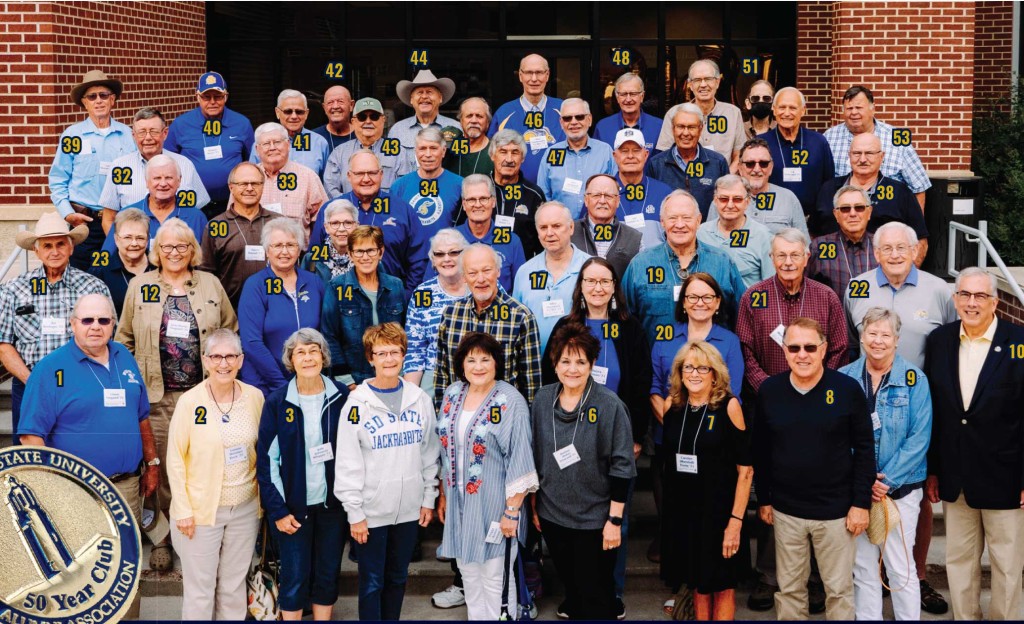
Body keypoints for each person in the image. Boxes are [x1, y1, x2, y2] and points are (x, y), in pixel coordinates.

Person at [17, 293, 155, 621]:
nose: (95, 327)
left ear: (113, 325)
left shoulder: (124, 357)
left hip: (125, 488)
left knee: (126, 571)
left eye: (103, 320)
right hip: (75, 493)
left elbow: (142, 416)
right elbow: (30, 437)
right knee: (81, 575)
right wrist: (50, 491)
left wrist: (152, 464)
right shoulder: (51, 369)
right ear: (73, 323)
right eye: (87, 320)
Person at [116, 217, 237, 570]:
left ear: (192, 250)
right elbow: (123, 339)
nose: (173, 252)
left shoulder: (210, 285)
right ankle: (163, 538)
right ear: (156, 251)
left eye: (181, 246)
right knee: (161, 471)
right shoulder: (140, 286)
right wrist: (131, 386)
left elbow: (230, 330)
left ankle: (200, 533)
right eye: (166, 246)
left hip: (204, 396)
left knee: (202, 464)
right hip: (157, 397)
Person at [541, 257, 653, 610]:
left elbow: (640, 381)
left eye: (605, 281)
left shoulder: (629, 327)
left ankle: (613, 591)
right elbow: (551, 377)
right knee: (571, 522)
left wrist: (636, 434)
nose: (598, 288)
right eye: (590, 281)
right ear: (581, 286)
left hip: (615, 434)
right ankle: (574, 594)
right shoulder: (567, 324)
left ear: (614, 287)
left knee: (614, 518)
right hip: (571, 433)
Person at [752, 317, 874, 620]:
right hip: (786, 511)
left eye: (809, 347)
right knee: (790, 590)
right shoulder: (770, 391)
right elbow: (761, 451)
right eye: (794, 348)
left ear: (824, 349)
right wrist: (764, 499)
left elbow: (865, 449)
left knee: (839, 591)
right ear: (784, 350)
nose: (802, 354)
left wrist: (861, 503)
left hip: (836, 513)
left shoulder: (846, 389)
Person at [924, 267, 1024, 621]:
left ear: (995, 301)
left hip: (1006, 476)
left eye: (980, 296)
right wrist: (934, 469)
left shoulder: (1020, 343)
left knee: (1007, 567)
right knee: (959, 562)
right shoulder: (940, 341)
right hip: (956, 475)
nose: (971, 302)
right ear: (954, 299)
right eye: (964, 295)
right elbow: (936, 410)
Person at [334, 323, 440, 620]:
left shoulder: (419, 399)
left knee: (397, 577)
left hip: (408, 509)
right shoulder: (356, 404)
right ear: (370, 358)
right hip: (371, 512)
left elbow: (429, 452)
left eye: (395, 352)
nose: (389, 359)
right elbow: (347, 461)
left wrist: (428, 497)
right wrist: (354, 512)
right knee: (371, 582)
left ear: (404, 355)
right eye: (382, 353)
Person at [530, 323, 636, 620]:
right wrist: (534, 503)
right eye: (565, 361)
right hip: (552, 515)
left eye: (580, 361)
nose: (572, 369)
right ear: (555, 363)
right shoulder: (541, 400)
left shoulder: (609, 405)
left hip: (595, 520)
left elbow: (623, 466)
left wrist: (614, 520)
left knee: (596, 597)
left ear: (591, 364)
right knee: (573, 589)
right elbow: (536, 454)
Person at [435, 332, 539, 620]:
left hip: (496, 507)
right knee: (469, 575)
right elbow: (446, 449)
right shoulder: (453, 393)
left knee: (496, 580)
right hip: (459, 504)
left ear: (497, 363)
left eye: (485, 359)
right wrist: (443, 493)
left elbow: (520, 457)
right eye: (471, 360)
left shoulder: (509, 400)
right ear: (461, 365)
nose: (478, 366)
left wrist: (512, 512)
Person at [838, 308, 931, 621]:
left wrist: (885, 480)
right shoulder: (845, 377)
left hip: (901, 491)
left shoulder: (914, 379)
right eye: (872, 333)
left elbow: (919, 437)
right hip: (858, 493)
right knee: (862, 568)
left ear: (897, 340)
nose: (878, 341)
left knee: (900, 568)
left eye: (885, 335)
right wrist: (862, 481)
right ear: (862, 337)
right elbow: (837, 434)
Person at [166, 328, 265, 620]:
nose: (224, 364)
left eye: (231, 356)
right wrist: (182, 509)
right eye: (217, 357)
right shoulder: (190, 402)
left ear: (241, 360)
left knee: (234, 586)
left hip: (245, 508)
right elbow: (175, 459)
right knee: (200, 588)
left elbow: (263, 451)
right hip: (200, 511)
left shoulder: (254, 398)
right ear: (206, 361)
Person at [255, 328, 350, 621]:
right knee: (294, 577)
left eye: (313, 351)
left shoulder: (342, 397)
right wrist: (279, 511)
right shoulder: (277, 401)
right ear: (290, 360)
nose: (308, 357)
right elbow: (267, 462)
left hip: (332, 506)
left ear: (323, 356)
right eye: (300, 352)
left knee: (327, 573)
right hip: (293, 510)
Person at [649, 272, 744, 565]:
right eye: (692, 296)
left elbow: (733, 393)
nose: (699, 303)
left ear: (717, 303)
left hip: (713, 446)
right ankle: (680, 587)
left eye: (707, 297)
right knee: (676, 516)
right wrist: (680, 427)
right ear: (683, 302)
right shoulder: (665, 335)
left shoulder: (728, 341)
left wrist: (697, 430)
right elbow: (655, 387)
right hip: (670, 440)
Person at [659, 341, 752, 620]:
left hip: (721, 514)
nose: (695, 373)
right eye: (688, 366)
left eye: (703, 367)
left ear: (715, 373)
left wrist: (735, 522)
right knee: (697, 583)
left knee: (722, 586)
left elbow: (745, 471)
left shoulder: (730, 406)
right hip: (684, 514)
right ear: (680, 371)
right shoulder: (671, 406)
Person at [0, 212, 110, 435]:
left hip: (81, 386)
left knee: (77, 454)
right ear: (36, 250)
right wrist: (34, 383)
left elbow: (107, 338)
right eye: (47, 245)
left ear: (71, 248)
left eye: (61, 244)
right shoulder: (13, 289)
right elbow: (4, 345)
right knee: (31, 458)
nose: (54, 251)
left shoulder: (93, 287)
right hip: (29, 384)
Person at [621, 190, 747, 344]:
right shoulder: (640, 264)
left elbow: (743, 318)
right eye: (672, 218)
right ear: (662, 221)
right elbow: (624, 320)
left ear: (698, 220)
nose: (679, 225)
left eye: (687, 218)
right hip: (654, 365)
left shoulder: (722, 262)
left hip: (713, 363)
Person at [735, 228, 849, 394]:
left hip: (817, 395)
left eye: (795, 255)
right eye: (781, 255)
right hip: (767, 397)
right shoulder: (753, 297)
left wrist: (820, 385)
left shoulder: (826, 297)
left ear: (806, 258)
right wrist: (767, 388)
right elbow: (744, 351)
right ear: (772, 259)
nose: (788, 262)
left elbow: (840, 349)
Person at [435, 244, 542, 407]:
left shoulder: (521, 317)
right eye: (472, 273)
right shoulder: (450, 314)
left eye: (486, 270)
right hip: (457, 418)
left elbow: (531, 385)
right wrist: (441, 415)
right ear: (464, 277)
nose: (481, 279)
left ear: (498, 271)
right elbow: (442, 375)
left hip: (504, 419)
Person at [50, 70, 137, 270]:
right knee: (83, 280)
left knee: (119, 277)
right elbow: (58, 179)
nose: (98, 100)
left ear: (112, 100)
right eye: (92, 96)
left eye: (103, 95)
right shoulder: (73, 136)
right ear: (85, 102)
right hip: (85, 224)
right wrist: (67, 214)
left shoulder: (128, 135)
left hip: (121, 221)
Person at [845, 222, 956, 366]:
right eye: (887, 248)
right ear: (876, 254)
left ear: (914, 251)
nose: (895, 255)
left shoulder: (939, 289)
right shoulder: (857, 287)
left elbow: (951, 341)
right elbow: (852, 342)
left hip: (921, 386)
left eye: (901, 248)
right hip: (868, 386)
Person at [239, 218, 326, 396]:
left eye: (291, 245)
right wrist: (282, 385)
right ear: (267, 250)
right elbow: (251, 343)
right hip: (266, 385)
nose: (284, 251)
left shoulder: (314, 282)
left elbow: (326, 333)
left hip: (308, 382)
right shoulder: (255, 285)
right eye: (277, 245)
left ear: (300, 248)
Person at [814, 133, 928, 265]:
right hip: (834, 271)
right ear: (849, 155)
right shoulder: (828, 189)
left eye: (869, 153)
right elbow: (814, 233)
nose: (862, 159)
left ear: (882, 156)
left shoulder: (900, 192)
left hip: (885, 274)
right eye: (857, 153)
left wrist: (905, 277)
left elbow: (920, 241)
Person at [313, 150, 416, 285]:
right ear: (349, 176)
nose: (366, 179)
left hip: (389, 298)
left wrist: (405, 295)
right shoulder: (331, 210)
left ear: (381, 174)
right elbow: (315, 259)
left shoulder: (402, 210)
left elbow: (418, 260)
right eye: (359, 173)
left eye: (372, 173)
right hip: (339, 298)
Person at [99, 107, 209, 233]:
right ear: (134, 136)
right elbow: (109, 218)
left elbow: (198, 213)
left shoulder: (184, 164)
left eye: (154, 131)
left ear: (165, 133)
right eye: (142, 132)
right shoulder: (119, 167)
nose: (148, 138)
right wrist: (122, 248)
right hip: (135, 247)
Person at [321, 225, 406, 389]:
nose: (365, 257)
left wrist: (400, 372)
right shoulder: (336, 288)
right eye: (359, 251)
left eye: (371, 250)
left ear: (381, 252)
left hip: (392, 375)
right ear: (351, 254)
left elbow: (404, 332)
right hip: (354, 379)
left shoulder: (395, 286)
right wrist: (348, 382)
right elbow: (329, 336)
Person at [165, 71, 255, 220]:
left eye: (218, 96)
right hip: (193, 205)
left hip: (233, 203)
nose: (212, 102)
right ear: (197, 97)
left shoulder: (241, 123)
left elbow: (251, 160)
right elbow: (169, 161)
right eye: (207, 97)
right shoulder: (181, 125)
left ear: (226, 96)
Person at [824, 86, 930, 209]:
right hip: (846, 215)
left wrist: (915, 225)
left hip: (889, 216)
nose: (853, 112)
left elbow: (919, 187)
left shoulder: (896, 138)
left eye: (858, 107)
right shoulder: (829, 137)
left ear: (872, 108)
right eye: (849, 108)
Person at [389, 127, 464, 292]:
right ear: (415, 152)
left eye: (433, 148)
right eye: (422, 148)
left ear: (443, 151)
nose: (428, 154)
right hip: (409, 271)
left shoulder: (460, 185)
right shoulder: (399, 187)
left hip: (448, 267)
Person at [512, 201, 592, 352]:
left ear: (571, 228)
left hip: (577, 366)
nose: (549, 233)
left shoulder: (590, 268)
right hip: (534, 364)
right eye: (543, 227)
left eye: (556, 226)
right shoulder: (525, 272)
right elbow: (516, 322)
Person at [199, 162, 280, 308]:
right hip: (230, 310)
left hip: (274, 308)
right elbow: (206, 274)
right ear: (231, 187)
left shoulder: (279, 222)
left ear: (263, 186)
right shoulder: (215, 226)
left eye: (255, 183)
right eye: (243, 184)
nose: (249, 188)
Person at [99, 154, 209, 255]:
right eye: (157, 178)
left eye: (169, 178)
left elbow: (205, 262)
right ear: (146, 182)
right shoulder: (126, 215)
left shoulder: (196, 217)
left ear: (179, 181)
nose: (163, 184)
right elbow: (107, 257)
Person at [403, 229, 470, 390]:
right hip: (434, 376)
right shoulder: (422, 293)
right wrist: (412, 396)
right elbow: (415, 349)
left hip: (478, 373)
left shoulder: (482, 285)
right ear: (433, 260)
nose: (447, 259)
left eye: (454, 252)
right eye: (439, 254)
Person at [757, 87, 835, 219]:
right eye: (782, 107)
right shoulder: (760, 143)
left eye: (792, 108)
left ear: (803, 110)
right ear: (774, 109)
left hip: (812, 220)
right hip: (771, 219)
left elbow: (829, 183)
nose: (787, 113)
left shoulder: (818, 142)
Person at [489, 53, 565, 183]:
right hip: (517, 190)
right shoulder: (504, 112)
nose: (534, 79)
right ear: (520, 75)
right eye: (529, 72)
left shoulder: (564, 109)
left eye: (539, 72)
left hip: (558, 189)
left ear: (547, 75)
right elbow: (493, 154)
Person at [657, 60, 745, 171]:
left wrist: (724, 181)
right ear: (690, 84)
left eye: (708, 79)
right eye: (697, 80)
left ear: (717, 82)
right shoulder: (674, 113)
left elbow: (739, 156)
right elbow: (665, 155)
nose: (703, 85)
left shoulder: (733, 113)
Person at [645, 103, 729, 218]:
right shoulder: (655, 164)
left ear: (701, 129)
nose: (685, 133)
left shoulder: (718, 163)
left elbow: (726, 202)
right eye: (680, 126)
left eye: (691, 127)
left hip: (707, 234)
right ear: (673, 129)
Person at [536, 98, 616, 218]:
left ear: (589, 120)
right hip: (562, 231)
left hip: (598, 228)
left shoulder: (605, 151)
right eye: (567, 118)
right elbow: (543, 196)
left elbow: (615, 192)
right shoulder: (551, 153)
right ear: (561, 123)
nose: (573, 122)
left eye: (579, 117)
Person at [250, 122, 328, 239]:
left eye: (277, 142)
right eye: (266, 143)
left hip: (299, 253)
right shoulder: (247, 178)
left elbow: (323, 220)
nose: (272, 147)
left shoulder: (307, 177)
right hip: (257, 254)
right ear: (257, 149)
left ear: (288, 144)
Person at [323, 97, 414, 196]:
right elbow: (330, 188)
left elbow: (405, 187)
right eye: (362, 117)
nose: (368, 121)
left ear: (383, 120)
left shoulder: (398, 152)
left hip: (387, 210)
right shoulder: (339, 152)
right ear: (353, 121)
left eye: (374, 116)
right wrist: (349, 206)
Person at [700, 175, 775, 288]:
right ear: (715, 201)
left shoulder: (763, 235)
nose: (730, 205)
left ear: (747, 202)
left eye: (737, 199)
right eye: (724, 199)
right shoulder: (701, 232)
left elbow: (771, 284)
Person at [455, 174, 526, 293]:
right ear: (464, 205)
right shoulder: (450, 240)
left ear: (493, 202)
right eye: (471, 199)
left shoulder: (512, 241)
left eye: (483, 198)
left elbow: (522, 289)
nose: (478, 205)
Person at [806, 185, 878, 303]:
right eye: (845, 209)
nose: (853, 213)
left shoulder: (882, 245)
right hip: (831, 320)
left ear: (869, 212)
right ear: (836, 215)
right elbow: (805, 289)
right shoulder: (819, 246)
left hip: (874, 319)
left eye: (859, 207)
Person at [487, 129, 547, 258]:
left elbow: (542, 242)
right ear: (492, 155)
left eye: (515, 153)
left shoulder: (534, 194)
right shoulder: (479, 189)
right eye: (503, 152)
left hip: (523, 268)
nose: (509, 159)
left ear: (523, 158)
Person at [570, 174, 642, 279]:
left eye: (608, 196)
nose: (602, 201)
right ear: (586, 200)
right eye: (596, 195)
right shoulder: (568, 233)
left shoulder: (635, 238)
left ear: (617, 201)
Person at [612, 128, 671, 251]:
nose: (630, 156)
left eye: (636, 151)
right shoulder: (603, 193)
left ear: (645, 155)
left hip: (655, 267)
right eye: (624, 151)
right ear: (615, 156)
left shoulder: (663, 192)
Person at [389, 69, 459, 171]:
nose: (424, 96)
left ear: (440, 98)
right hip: (408, 186)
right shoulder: (397, 130)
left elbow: (462, 163)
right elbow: (390, 166)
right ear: (411, 99)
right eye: (420, 92)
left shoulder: (456, 128)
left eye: (429, 92)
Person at [736, 138, 808, 237]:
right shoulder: (724, 199)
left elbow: (803, 245)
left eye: (764, 163)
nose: (757, 169)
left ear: (771, 167)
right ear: (740, 168)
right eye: (750, 164)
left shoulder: (788, 198)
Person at [89, 207, 154, 316]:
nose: (134, 243)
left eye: (140, 238)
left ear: (147, 240)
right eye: (127, 237)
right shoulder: (100, 272)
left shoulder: (160, 267)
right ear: (116, 239)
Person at [251, 89, 331, 177]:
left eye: (299, 112)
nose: (294, 116)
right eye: (288, 111)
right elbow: (252, 178)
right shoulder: (262, 143)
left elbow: (326, 183)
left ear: (306, 114)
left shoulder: (319, 143)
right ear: (277, 112)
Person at [594, 73, 662, 152]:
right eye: (623, 94)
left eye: (633, 94)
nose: (628, 99)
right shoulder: (603, 128)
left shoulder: (658, 127)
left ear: (642, 96)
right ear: (617, 98)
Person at [303, 198, 358, 284]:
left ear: (356, 226)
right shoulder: (311, 258)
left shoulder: (368, 257)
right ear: (326, 227)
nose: (341, 229)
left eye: (348, 223)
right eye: (335, 223)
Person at [444, 97, 495, 178]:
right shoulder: (449, 147)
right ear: (461, 121)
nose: (474, 120)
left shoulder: (496, 151)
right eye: (469, 116)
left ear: (487, 122)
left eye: (479, 116)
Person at [312, 85, 355, 151]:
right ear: (324, 108)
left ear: (351, 105)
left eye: (340, 101)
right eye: (330, 102)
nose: (335, 106)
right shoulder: (313, 137)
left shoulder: (362, 135)